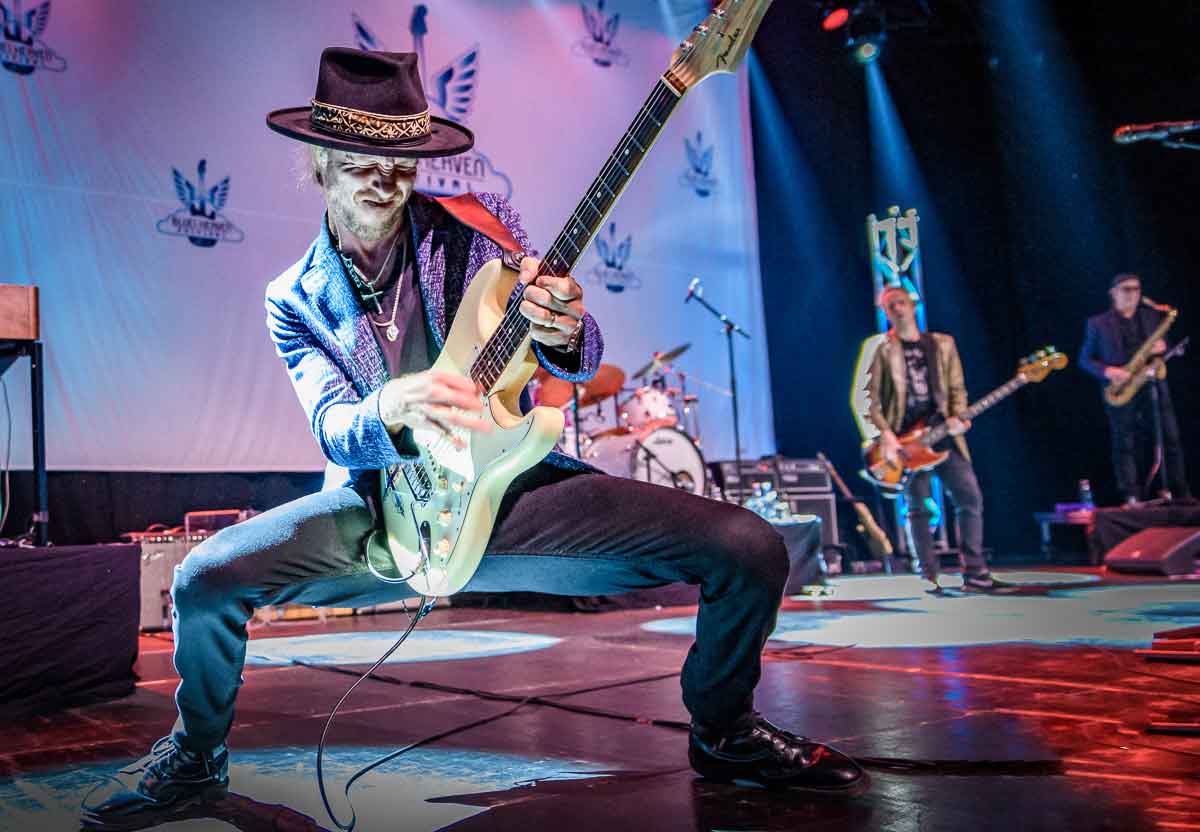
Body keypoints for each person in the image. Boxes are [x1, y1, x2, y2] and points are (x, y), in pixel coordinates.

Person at [80, 48, 867, 830]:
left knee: (750, 547)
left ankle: (723, 731)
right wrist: (393, 403)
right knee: (205, 578)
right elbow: (334, 428)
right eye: (362, 159)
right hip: (378, 513)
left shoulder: (467, 240)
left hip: (509, 493)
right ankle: (195, 754)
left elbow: (574, 348)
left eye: (402, 161)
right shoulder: (294, 297)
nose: (384, 181)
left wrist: (562, 328)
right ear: (319, 161)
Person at [863, 285, 1005, 593]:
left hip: (942, 435)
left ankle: (976, 571)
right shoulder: (881, 348)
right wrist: (886, 436)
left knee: (970, 498)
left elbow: (957, 387)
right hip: (905, 441)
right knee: (917, 507)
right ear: (885, 313)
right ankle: (927, 573)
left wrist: (959, 418)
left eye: (901, 303)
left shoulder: (941, 344)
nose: (897, 309)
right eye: (890, 306)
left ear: (913, 305)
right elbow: (868, 399)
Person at [1079, 273, 1190, 504]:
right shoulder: (1097, 323)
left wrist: (1163, 346)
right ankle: (1130, 495)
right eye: (1126, 289)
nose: (1133, 294)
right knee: (1125, 443)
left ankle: (1179, 492)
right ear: (1113, 293)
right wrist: (1109, 371)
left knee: (1170, 438)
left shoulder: (1151, 318)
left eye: (1136, 289)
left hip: (1152, 383)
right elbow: (1085, 359)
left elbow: (1164, 346)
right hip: (1120, 387)